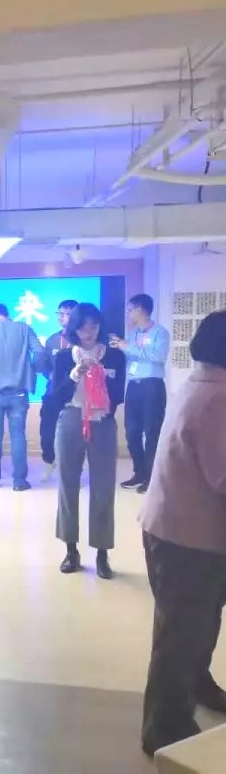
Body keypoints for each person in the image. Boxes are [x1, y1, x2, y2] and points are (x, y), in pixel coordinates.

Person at [139, 310, 226, 756]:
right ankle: (165, 728)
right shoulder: (216, 399)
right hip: (187, 539)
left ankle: (196, 683)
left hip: (181, 531)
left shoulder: (200, 384)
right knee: (181, 633)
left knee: (200, 620)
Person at [51, 302, 126, 580]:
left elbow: (119, 395)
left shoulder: (114, 356)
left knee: (103, 488)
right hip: (71, 419)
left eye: (94, 327)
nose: (89, 332)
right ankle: (71, 550)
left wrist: (102, 376)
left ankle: (102, 553)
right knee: (67, 485)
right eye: (83, 328)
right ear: (74, 329)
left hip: (102, 422)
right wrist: (75, 375)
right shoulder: (63, 357)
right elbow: (56, 396)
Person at [0, 302, 45, 492]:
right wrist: (32, 371)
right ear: (7, 314)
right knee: (18, 435)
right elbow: (39, 351)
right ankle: (19, 481)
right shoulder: (24, 328)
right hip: (19, 392)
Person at [111, 293, 170, 494]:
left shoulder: (160, 332)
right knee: (132, 432)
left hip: (152, 386)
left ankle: (152, 478)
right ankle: (140, 473)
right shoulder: (134, 333)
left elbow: (158, 356)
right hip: (134, 386)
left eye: (130, 310)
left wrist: (129, 347)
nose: (128, 313)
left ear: (141, 310)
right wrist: (120, 345)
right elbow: (132, 354)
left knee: (152, 432)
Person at [39, 300, 78, 481]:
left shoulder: (82, 339)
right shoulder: (53, 340)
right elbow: (44, 364)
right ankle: (49, 461)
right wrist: (51, 376)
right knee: (47, 431)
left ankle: (73, 472)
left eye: (66, 313)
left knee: (73, 436)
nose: (62, 317)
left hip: (76, 394)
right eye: (59, 313)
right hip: (53, 392)